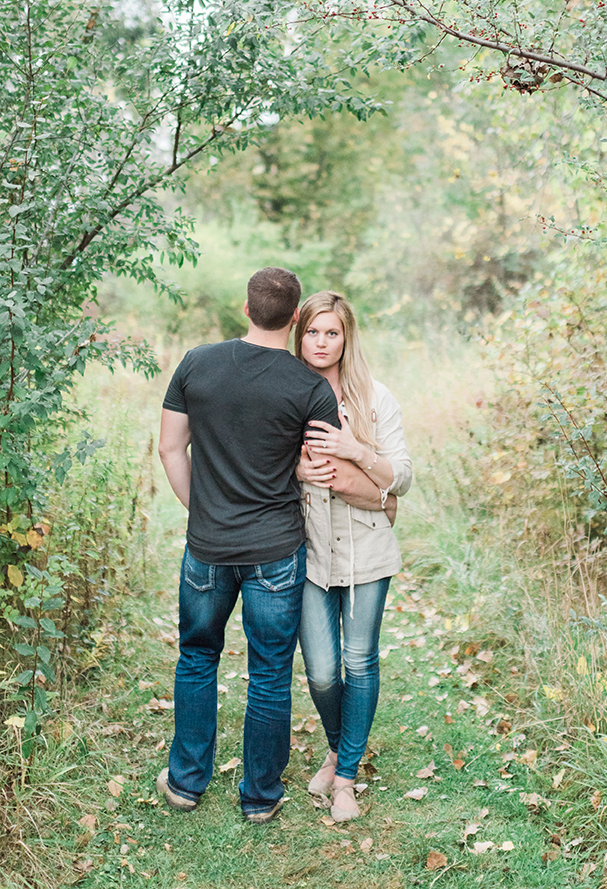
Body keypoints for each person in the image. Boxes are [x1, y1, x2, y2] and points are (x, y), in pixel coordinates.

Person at [156, 267, 341, 823]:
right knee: (268, 672)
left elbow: (169, 449)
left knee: (196, 658)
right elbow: (322, 468)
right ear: (293, 320)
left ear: (245, 309)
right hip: (275, 552)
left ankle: (186, 783)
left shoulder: (195, 363)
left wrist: (204, 511)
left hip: (208, 547)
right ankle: (259, 796)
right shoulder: (310, 388)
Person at [294, 291, 412, 823]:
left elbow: (401, 478)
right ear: (300, 336)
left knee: (359, 660)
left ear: (346, 338)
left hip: (367, 548)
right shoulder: (284, 392)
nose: (322, 343)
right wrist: (297, 471)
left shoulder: (374, 397)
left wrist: (355, 451)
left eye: (332, 333)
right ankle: (340, 746)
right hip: (308, 550)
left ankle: (345, 776)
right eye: (313, 332)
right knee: (320, 670)